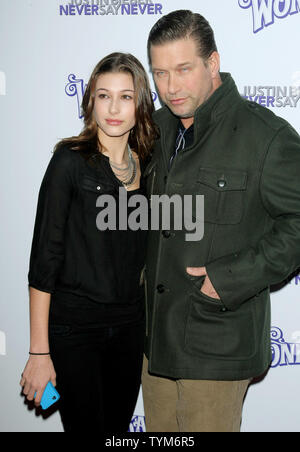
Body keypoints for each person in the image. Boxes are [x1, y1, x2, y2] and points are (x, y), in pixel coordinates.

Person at [142, 10, 300, 432]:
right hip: (153, 347)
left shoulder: (265, 136)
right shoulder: (154, 130)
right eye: (159, 73)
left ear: (213, 63)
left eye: (183, 69)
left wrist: (230, 278)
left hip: (216, 347)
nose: (170, 87)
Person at [20, 52, 157, 432]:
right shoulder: (69, 162)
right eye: (103, 95)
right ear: (90, 102)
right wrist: (39, 352)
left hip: (129, 329)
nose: (114, 107)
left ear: (140, 105)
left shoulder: (148, 165)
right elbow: (43, 261)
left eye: (126, 96)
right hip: (75, 331)